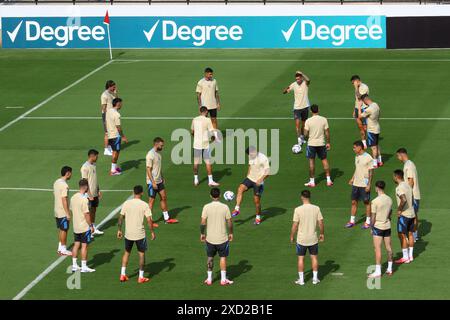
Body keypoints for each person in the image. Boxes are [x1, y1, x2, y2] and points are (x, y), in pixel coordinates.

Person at [117, 185, 156, 283]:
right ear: (142, 193)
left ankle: (122, 275)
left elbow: (121, 217)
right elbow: (149, 220)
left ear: (133, 192)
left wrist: (119, 230)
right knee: (141, 255)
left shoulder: (127, 203)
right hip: (140, 234)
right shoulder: (144, 205)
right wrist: (152, 232)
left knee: (126, 253)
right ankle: (141, 277)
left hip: (128, 234)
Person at [290, 190, 324, 285]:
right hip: (313, 238)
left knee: (301, 259)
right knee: (314, 258)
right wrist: (322, 234)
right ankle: (315, 279)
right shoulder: (316, 208)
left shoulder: (297, 209)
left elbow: (295, 225)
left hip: (301, 239)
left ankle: (301, 280)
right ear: (309, 197)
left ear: (302, 197)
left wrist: (292, 236)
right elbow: (320, 223)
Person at [200, 188, 233, 286]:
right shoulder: (225, 207)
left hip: (210, 239)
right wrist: (231, 233)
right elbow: (230, 223)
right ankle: (223, 280)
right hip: (222, 238)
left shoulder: (206, 207)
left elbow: (202, 222)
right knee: (223, 257)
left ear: (211, 196)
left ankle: (209, 279)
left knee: (210, 257)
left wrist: (202, 233)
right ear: (219, 195)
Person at [232, 146, 270, 225]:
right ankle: (237, 208)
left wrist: (261, 180)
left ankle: (258, 217)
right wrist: (247, 175)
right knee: (240, 188)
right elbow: (250, 165)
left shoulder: (263, 158)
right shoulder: (251, 155)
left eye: (250, 154)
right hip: (250, 178)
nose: (250, 156)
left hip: (258, 182)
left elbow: (268, 171)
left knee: (256, 201)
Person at [146, 137, 178, 226]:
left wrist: (162, 177)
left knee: (163, 197)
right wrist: (153, 182)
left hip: (159, 181)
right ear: (156, 144)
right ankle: (150, 222)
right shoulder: (150, 155)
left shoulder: (158, 154)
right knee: (151, 201)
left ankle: (167, 219)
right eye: (161, 145)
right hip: (152, 182)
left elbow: (158, 168)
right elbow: (148, 169)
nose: (162, 147)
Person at [345, 140, 374, 229]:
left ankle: (368, 222)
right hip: (356, 183)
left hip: (364, 184)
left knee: (366, 202)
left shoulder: (368, 158)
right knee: (354, 202)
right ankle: (352, 221)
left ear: (359, 147)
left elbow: (371, 172)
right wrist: (352, 178)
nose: (353, 149)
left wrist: (369, 184)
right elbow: (357, 169)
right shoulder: (357, 156)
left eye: (354, 147)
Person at [368, 181, 393, 278]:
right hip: (387, 226)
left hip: (378, 227)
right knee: (389, 248)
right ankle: (390, 269)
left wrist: (371, 227)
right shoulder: (389, 199)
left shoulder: (375, 201)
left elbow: (373, 217)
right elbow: (390, 212)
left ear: (377, 188)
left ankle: (378, 272)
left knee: (377, 248)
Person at [303, 104, 332, 187]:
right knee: (324, 160)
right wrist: (328, 142)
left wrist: (306, 137)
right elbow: (327, 132)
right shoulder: (324, 119)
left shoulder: (308, 121)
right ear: (318, 110)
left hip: (311, 144)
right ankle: (328, 180)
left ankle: (312, 182)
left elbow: (305, 134)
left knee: (311, 162)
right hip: (321, 143)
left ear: (311, 111)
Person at [70, 179, 95, 273]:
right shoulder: (84, 199)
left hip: (76, 226)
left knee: (76, 244)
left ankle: (74, 265)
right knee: (84, 246)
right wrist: (91, 225)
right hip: (84, 226)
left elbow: (72, 210)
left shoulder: (73, 197)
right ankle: (84, 266)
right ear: (86, 187)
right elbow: (86, 214)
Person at [396, 148, 421, 241]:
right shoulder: (408, 164)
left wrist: (408, 194)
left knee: (413, 215)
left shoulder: (408, 166)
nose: (398, 158)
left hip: (413, 195)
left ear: (401, 155)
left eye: (398, 156)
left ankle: (414, 235)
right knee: (414, 214)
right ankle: (414, 234)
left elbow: (411, 181)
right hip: (413, 194)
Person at [191, 106, 219, 187]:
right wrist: (214, 138)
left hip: (196, 144)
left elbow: (192, 131)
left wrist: (195, 137)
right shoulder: (207, 120)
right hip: (205, 144)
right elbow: (212, 130)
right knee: (208, 162)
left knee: (196, 163)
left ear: (200, 111)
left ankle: (196, 180)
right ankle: (210, 181)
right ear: (206, 112)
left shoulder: (194, 119)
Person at [393, 169, 416, 264]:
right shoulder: (408, 185)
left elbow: (403, 199)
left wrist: (399, 209)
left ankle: (405, 257)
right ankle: (410, 256)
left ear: (396, 177)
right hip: (412, 213)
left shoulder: (399, 188)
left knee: (401, 235)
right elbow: (412, 198)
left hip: (404, 215)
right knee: (410, 234)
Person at [283, 70, 311, 146]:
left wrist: (302, 73)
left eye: (298, 79)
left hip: (305, 106)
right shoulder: (294, 84)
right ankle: (299, 139)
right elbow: (285, 90)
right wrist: (286, 90)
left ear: (301, 78)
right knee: (297, 125)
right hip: (297, 108)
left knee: (304, 124)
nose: (297, 81)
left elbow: (308, 80)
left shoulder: (305, 83)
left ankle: (302, 137)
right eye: (296, 79)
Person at [81, 149, 103, 236]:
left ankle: (93, 227)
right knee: (88, 212)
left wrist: (98, 190)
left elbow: (94, 179)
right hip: (88, 194)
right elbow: (85, 182)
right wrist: (89, 194)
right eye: (96, 156)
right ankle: (88, 231)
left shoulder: (93, 165)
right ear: (92, 156)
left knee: (94, 210)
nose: (97, 158)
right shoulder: (85, 167)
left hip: (94, 193)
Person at [106, 97, 128, 176]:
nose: (122, 105)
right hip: (115, 136)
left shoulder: (108, 111)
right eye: (121, 103)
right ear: (118, 104)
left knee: (115, 152)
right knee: (116, 152)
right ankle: (112, 171)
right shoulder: (117, 114)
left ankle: (114, 168)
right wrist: (123, 136)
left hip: (110, 135)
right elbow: (118, 127)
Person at [53, 166, 73, 256]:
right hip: (62, 211)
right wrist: (67, 213)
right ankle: (63, 249)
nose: (71, 175)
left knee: (61, 229)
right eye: (71, 173)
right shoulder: (65, 185)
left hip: (56, 210)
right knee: (64, 229)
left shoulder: (56, 182)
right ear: (67, 173)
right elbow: (64, 199)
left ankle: (60, 248)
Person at [360, 94, 383, 168]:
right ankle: (380, 160)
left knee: (373, 147)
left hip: (371, 130)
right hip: (377, 127)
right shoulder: (375, 104)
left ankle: (375, 163)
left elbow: (360, 116)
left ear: (365, 100)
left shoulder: (369, 109)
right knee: (377, 145)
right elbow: (379, 114)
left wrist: (360, 107)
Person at [350, 75, 369, 149]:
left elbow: (359, 97)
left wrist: (355, 87)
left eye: (353, 83)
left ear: (356, 81)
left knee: (365, 128)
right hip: (357, 109)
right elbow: (356, 100)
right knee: (360, 127)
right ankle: (364, 143)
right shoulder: (357, 87)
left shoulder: (364, 87)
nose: (353, 84)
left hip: (364, 109)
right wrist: (354, 109)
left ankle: (366, 140)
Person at [101, 80, 118, 156]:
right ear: (109, 86)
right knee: (107, 132)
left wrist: (115, 93)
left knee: (112, 132)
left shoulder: (111, 93)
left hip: (112, 115)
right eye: (113, 86)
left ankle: (110, 147)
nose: (115, 87)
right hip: (107, 116)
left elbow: (116, 101)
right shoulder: (104, 95)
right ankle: (106, 149)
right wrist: (104, 118)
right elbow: (103, 107)